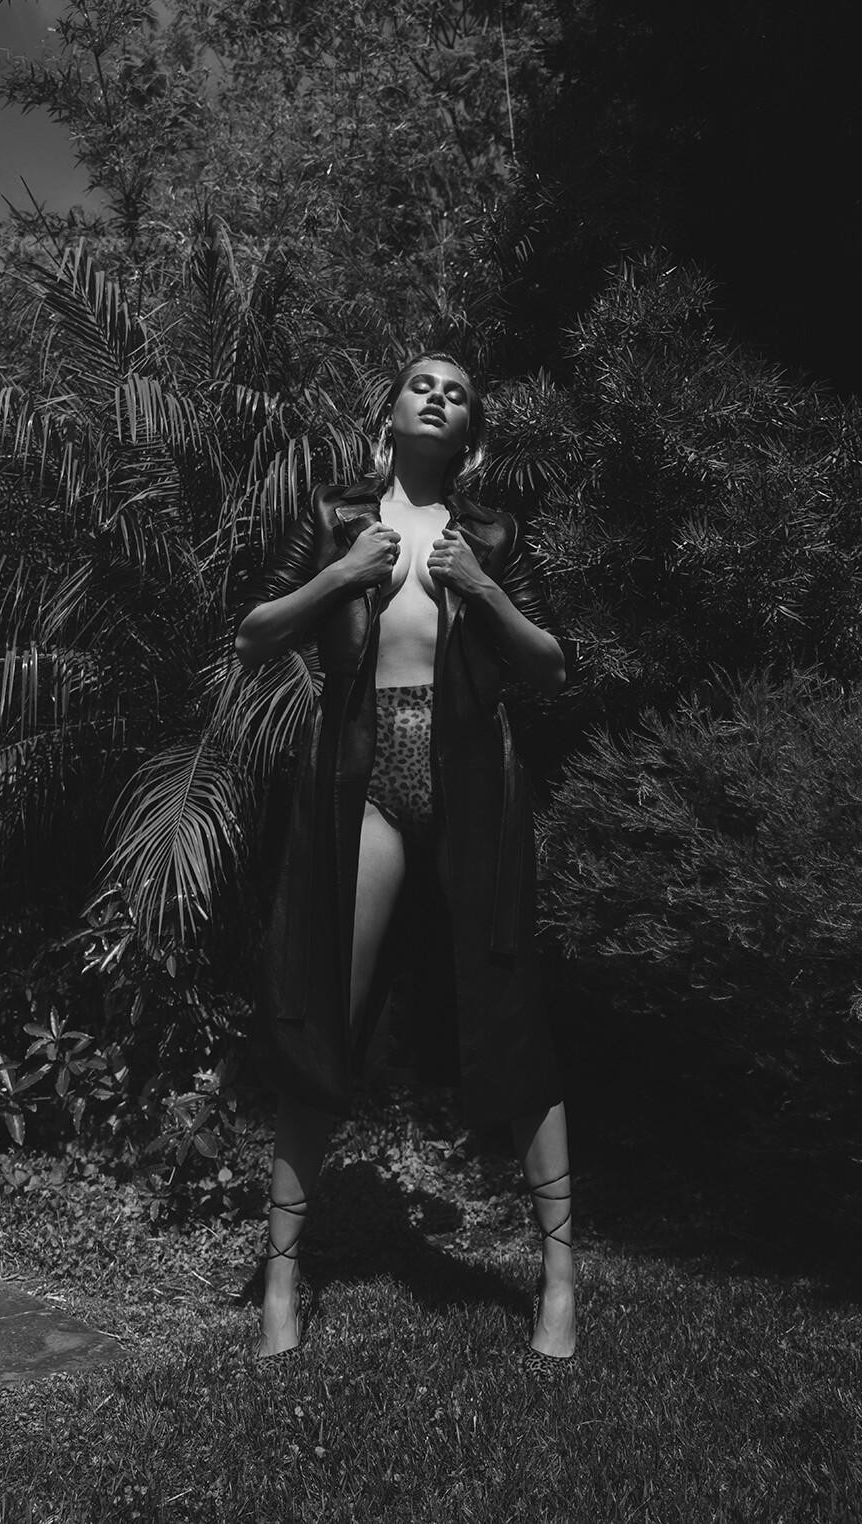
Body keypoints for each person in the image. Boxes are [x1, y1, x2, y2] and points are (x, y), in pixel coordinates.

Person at [233, 353, 576, 1374]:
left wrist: (482, 587)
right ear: (387, 411)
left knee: (509, 1012)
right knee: (323, 1019)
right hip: (363, 775)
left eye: (458, 390)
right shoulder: (336, 518)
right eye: (422, 383)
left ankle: (560, 1281)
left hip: (472, 777)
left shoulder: (493, 536)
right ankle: (282, 1282)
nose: (438, 395)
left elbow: (551, 666)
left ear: (471, 430)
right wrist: (340, 575)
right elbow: (254, 635)